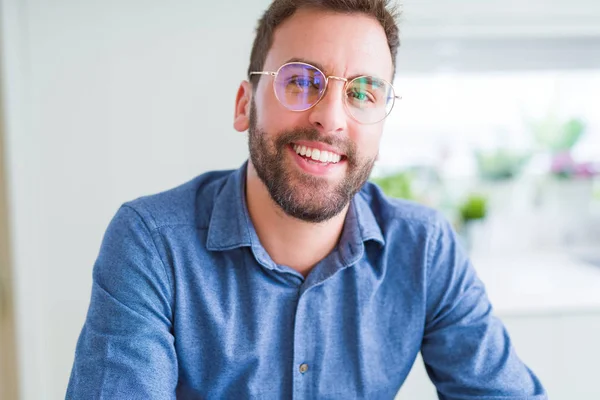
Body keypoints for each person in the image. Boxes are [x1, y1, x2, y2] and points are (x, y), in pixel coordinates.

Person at [67, 0, 548, 398]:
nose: (332, 119)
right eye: (300, 81)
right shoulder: (151, 243)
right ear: (243, 105)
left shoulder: (424, 249)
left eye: (363, 92)